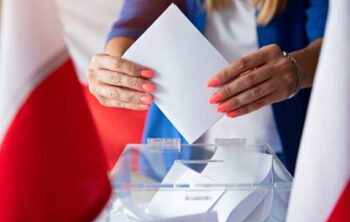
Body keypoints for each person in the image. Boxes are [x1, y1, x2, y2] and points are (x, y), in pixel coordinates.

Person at [86, 0, 328, 175]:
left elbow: (333, 40)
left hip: (282, 155)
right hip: (182, 159)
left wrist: (295, 70)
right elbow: (132, 23)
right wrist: (115, 64)